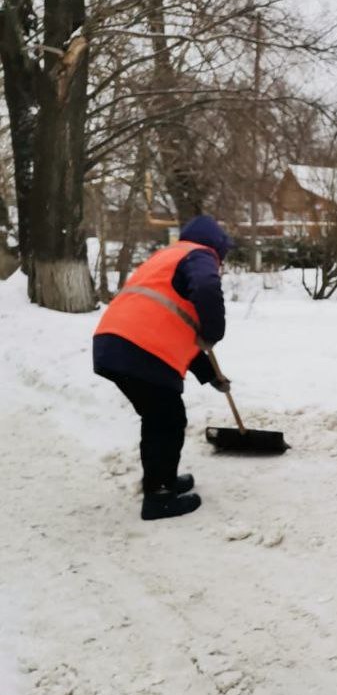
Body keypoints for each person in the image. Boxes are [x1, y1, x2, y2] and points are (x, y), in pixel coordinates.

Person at [92, 214, 233, 521]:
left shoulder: (167, 259)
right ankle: (158, 497)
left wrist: (212, 377)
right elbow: (208, 287)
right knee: (166, 420)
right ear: (216, 247)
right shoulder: (198, 255)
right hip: (138, 349)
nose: (219, 264)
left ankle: (162, 481)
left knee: (161, 418)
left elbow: (177, 329)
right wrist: (214, 331)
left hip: (117, 343)